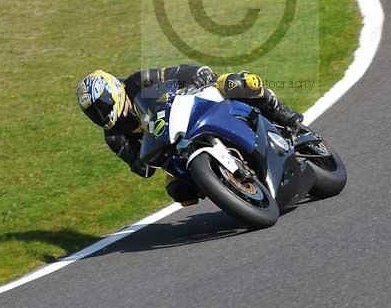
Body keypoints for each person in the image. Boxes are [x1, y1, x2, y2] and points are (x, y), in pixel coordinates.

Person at [76, 64, 303, 206]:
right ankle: (229, 187)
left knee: (235, 82)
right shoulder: (114, 136)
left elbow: (175, 76)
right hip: (174, 149)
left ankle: (282, 114)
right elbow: (141, 167)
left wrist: (198, 75)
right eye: (93, 113)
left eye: (102, 106)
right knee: (180, 193)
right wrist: (140, 161)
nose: (101, 114)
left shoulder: (137, 84)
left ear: (112, 90)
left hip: (194, 109)